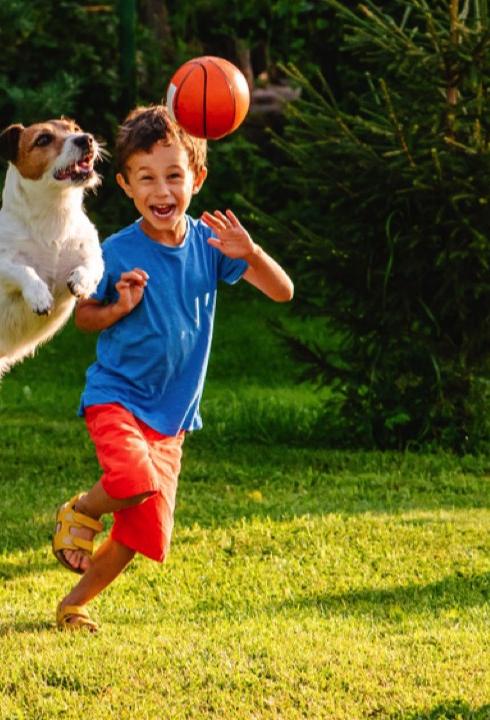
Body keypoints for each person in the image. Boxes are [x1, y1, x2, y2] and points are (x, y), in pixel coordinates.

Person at [50, 105, 295, 632]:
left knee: (141, 534)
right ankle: (81, 512)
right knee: (131, 480)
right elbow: (83, 318)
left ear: (197, 179)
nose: (162, 191)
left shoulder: (212, 246)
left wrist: (250, 252)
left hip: (171, 418)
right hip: (117, 396)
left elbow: (282, 291)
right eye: (147, 178)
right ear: (125, 185)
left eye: (174, 176)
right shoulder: (114, 250)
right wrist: (117, 307)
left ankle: (75, 604)